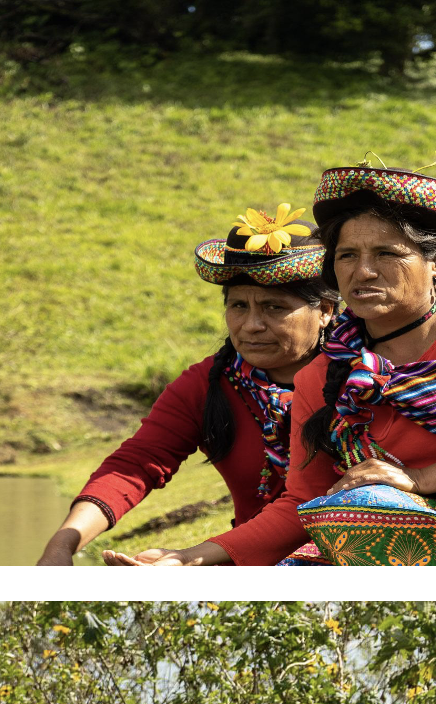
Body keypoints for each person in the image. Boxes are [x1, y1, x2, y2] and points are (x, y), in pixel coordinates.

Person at [108, 146, 436, 566]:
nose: (363, 271)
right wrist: (190, 557)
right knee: (360, 504)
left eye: (386, 254)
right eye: (347, 256)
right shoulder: (324, 375)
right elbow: (302, 503)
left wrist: (417, 479)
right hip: (428, 535)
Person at [37, 203, 337, 564]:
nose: (252, 325)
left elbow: (313, 502)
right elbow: (137, 463)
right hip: (245, 565)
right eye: (239, 306)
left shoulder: (362, 380)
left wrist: (189, 559)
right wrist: (64, 542)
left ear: (324, 310)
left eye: (274, 308)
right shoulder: (208, 385)